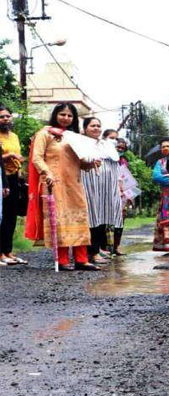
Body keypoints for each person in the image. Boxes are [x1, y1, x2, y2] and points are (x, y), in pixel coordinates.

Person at [25, 103, 100, 271]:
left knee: (79, 217)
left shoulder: (74, 137)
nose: (66, 118)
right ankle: (64, 260)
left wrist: (91, 163)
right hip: (54, 182)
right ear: (55, 115)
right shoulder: (44, 134)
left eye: (69, 115)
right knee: (60, 220)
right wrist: (47, 173)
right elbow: (37, 158)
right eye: (62, 114)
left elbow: (80, 163)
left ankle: (82, 259)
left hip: (74, 183)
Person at [81, 118, 123, 264]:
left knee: (103, 215)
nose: (96, 128)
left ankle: (98, 248)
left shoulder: (106, 144)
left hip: (106, 185)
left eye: (99, 125)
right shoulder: (81, 142)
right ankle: (91, 252)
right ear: (85, 128)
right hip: (89, 181)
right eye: (93, 125)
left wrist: (118, 184)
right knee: (92, 215)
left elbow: (115, 162)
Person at [0, 105, 28, 265]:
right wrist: (9, 155)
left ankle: (8, 251)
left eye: (7, 116)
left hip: (14, 179)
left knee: (11, 216)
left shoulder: (15, 137)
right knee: (1, 216)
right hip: (1, 178)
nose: (5, 119)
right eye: (2, 117)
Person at [113, 138, 132, 255]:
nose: (120, 149)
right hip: (109, 194)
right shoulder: (107, 159)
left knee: (120, 221)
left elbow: (127, 179)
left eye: (122, 148)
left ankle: (116, 247)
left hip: (122, 195)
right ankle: (105, 248)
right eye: (118, 147)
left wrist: (130, 195)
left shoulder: (124, 162)